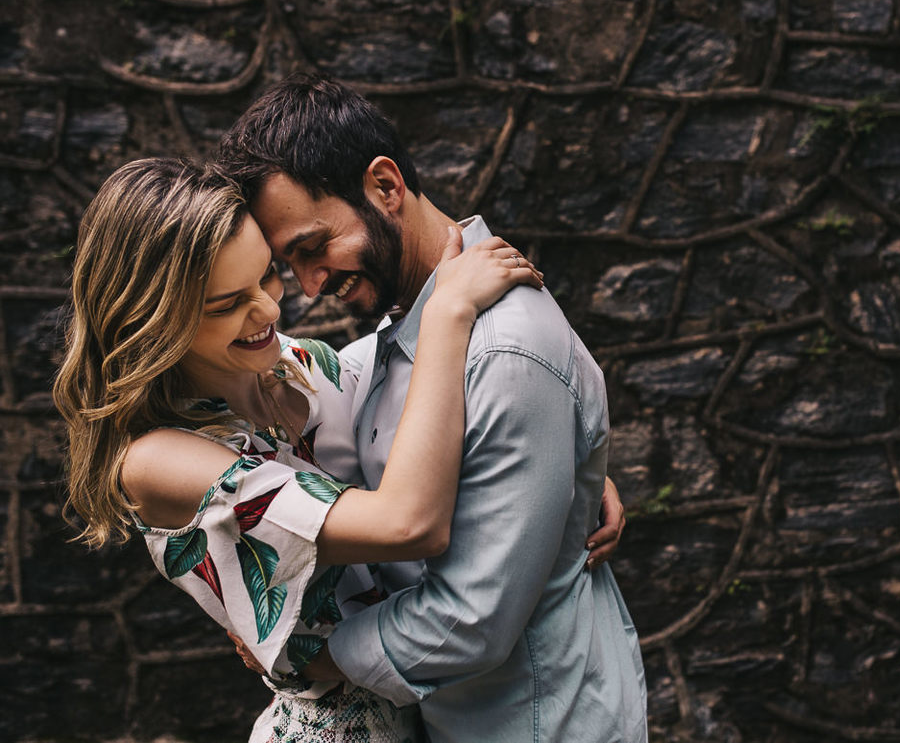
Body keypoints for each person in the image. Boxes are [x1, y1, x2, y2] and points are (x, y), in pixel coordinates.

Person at [51, 158, 594, 740]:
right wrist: (447, 314)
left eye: (266, 276)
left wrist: (556, 461)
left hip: (432, 712)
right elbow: (408, 523)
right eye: (225, 304)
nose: (266, 310)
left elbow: (437, 417)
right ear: (153, 320)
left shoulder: (290, 365)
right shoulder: (158, 460)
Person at [218, 73, 648, 743]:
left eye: (312, 247)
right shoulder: (412, 332)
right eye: (289, 264)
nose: (309, 284)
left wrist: (309, 659)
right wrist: (571, 466)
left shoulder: (504, 349)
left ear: (386, 186)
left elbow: (469, 619)